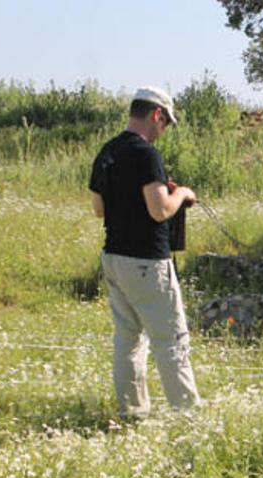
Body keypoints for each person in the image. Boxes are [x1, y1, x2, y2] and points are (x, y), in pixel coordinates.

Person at [89, 86, 201, 417]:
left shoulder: (107, 151)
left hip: (114, 258)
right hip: (147, 262)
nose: (164, 130)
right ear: (156, 114)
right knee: (171, 341)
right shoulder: (146, 154)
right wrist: (181, 194)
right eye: (166, 122)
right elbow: (159, 210)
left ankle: (132, 412)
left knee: (128, 341)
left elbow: (99, 209)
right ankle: (188, 416)